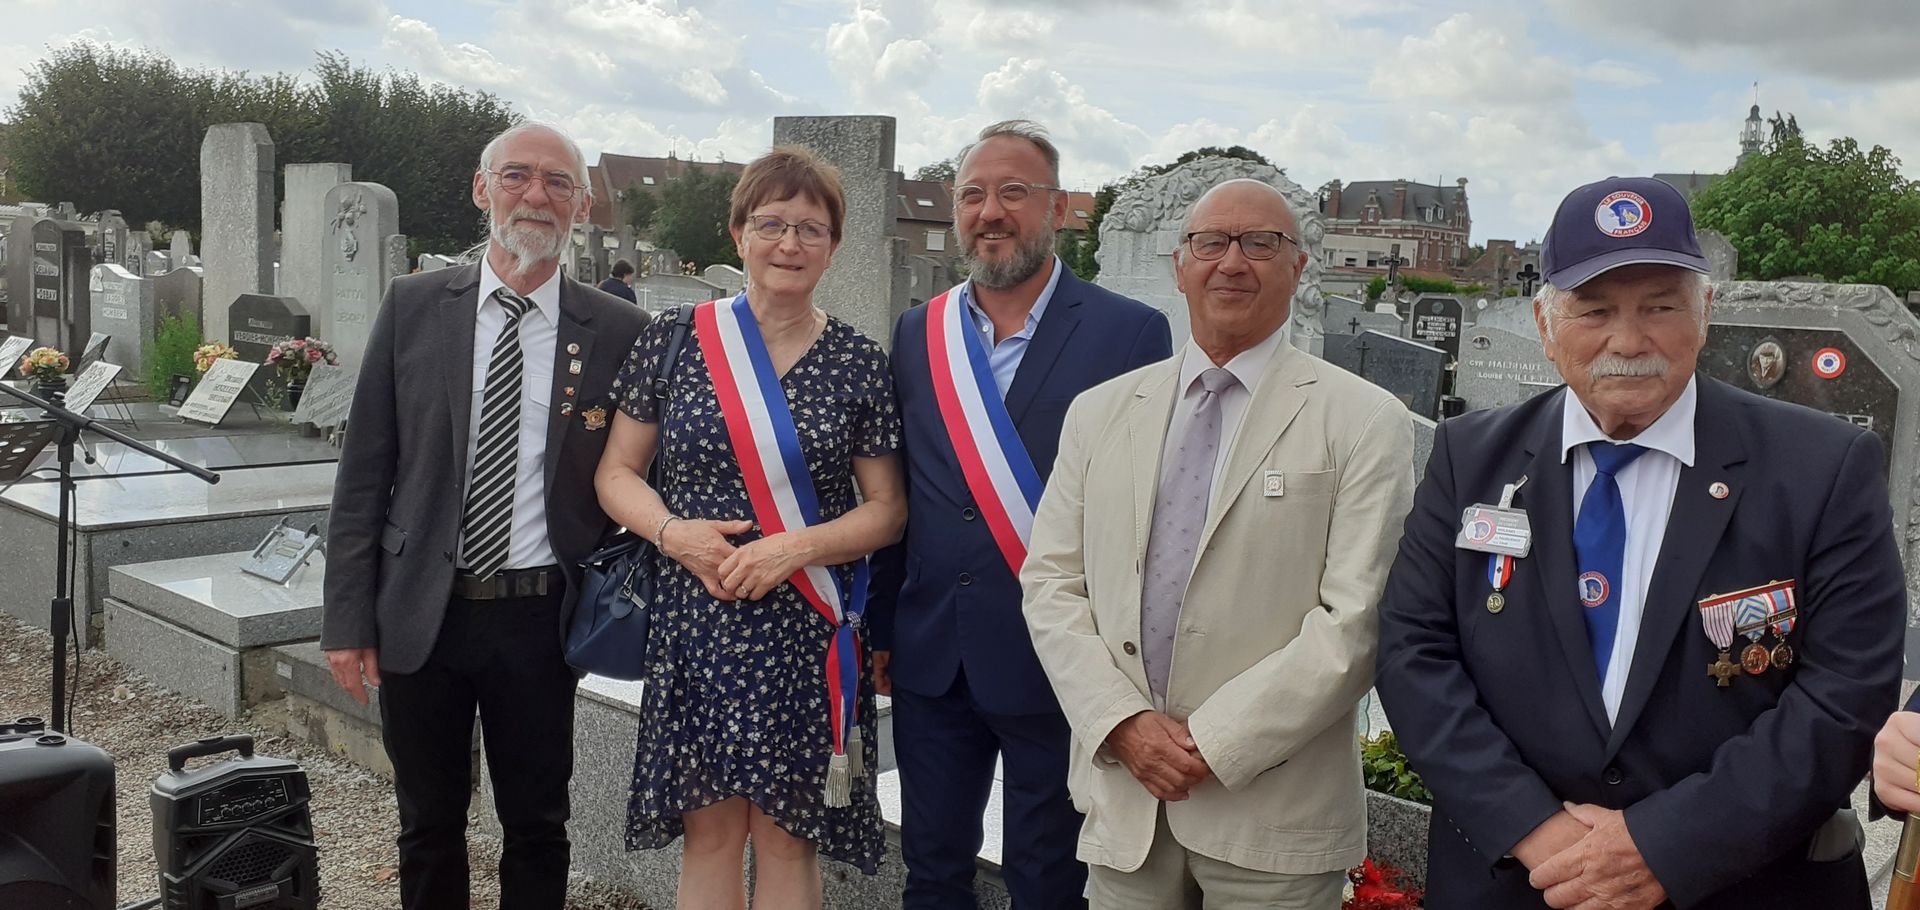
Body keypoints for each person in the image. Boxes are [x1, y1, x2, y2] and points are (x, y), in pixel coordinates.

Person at [1374, 176, 1905, 909]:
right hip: (1519, 882)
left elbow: (1844, 693)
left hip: (1745, 886)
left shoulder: (1822, 466)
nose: (1628, 342)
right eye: (1595, 310)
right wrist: (1537, 832)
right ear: (1545, 324)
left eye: (1660, 307)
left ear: (1705, 313)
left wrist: (1666, 846)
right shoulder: (1471, 457)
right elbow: (1413, 652)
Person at [1021, 178, 1414, 908]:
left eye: (1261, 243)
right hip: (1127, 802)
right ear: (1180, 265)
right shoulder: (1099, 414)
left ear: (1298, 267)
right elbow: (1051, 584)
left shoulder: (1364, 420)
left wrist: (1215, 743)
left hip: (1273, 815)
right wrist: (1122, 723)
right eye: (1211, 243)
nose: (1232, 262)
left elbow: (1356, 620)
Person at [321, 122, 650, 909]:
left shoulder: (618, 331)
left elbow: (641, 468)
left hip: (540, 618)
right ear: (483, 189)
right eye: (516, 176)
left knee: (537, 824)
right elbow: (364, 473)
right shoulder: (413, 306)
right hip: (420, 611)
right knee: (427, 822)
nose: (537, 195)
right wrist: (346, 619)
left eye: (558, 182)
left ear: (582, 205)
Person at [866, 119, 1171, 909]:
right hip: (934, 656)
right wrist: (884, 627)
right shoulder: (919, 332)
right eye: (972, 194)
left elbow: (1146, 512)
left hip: (1059, 664)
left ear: (1058, 208)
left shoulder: (1130, 334)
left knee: (1048, 881)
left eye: (1013, 192)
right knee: (932, 871)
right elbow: (904, 490)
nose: (990, 211)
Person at [594, 145, 906, 910]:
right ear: (739, 234)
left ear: (833, 245)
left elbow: (888, 508)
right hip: (696, 621)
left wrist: (796, 546)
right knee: (708, 836)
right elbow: (616, 473)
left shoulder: (859, 362)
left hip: (807, 626)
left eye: (810, 228)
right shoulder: (673, 339)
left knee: (787, 840)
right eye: (771, 224)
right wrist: (675, 533)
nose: (789, 244)